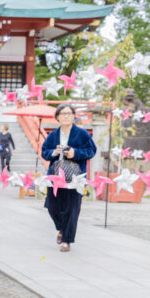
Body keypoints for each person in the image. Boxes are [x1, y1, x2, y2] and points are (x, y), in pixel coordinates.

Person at [41, 103, 97, 253]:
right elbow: (44, 152)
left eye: (69, 113)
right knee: (52, 207)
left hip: (75, 177)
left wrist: (75, 153)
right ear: (57, 117)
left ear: (73, 116)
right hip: (56, 176)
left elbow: (91, 151)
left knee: (71, 210)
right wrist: (54, 152)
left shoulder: (83, 134)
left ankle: (66, 240)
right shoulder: (52, 135)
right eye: (63, 113)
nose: (66, 116)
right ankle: (61, 228)